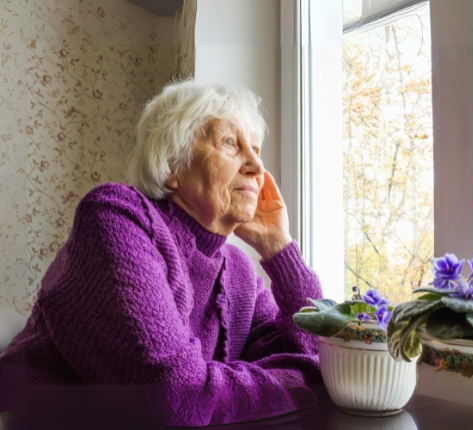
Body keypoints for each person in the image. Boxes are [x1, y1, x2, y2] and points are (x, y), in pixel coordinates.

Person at [0, 81, 324, 427]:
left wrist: (280, 250)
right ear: (172, 164)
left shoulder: (237, 270)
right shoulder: (117, 217)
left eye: (256, 149)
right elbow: (176, 396)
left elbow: (320, 354)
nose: (257, 167)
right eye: (230, 143)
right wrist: (301, 379)